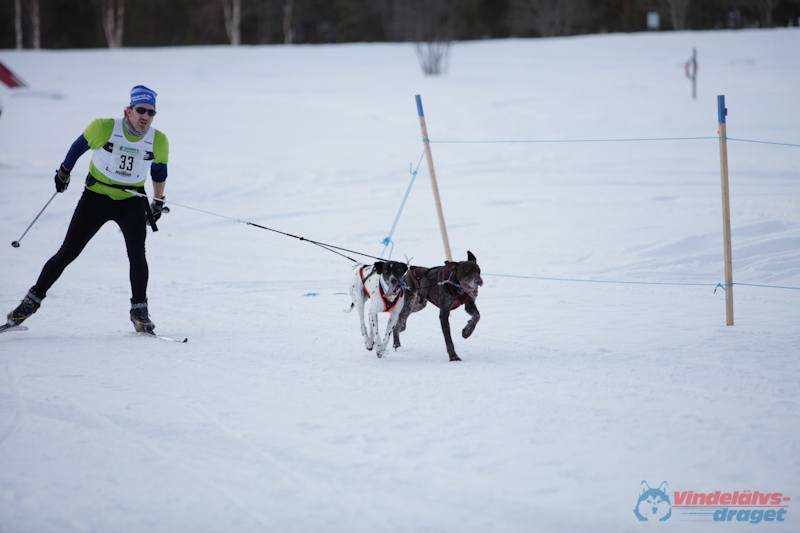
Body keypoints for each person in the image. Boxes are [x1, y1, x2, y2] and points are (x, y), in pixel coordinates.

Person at [6, 85, 170, 333]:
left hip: (131, 202)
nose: (145, 116)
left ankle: (139, 312)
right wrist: (64, 172)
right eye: (141, 110)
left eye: (151, 112)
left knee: (138, 255)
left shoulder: (158, 140)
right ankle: (28, 304)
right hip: (96, 198)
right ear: (129, 111)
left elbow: (159, 172)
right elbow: (78, 146)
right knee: (68, 252)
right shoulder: (104, 128)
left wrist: (157, 202)